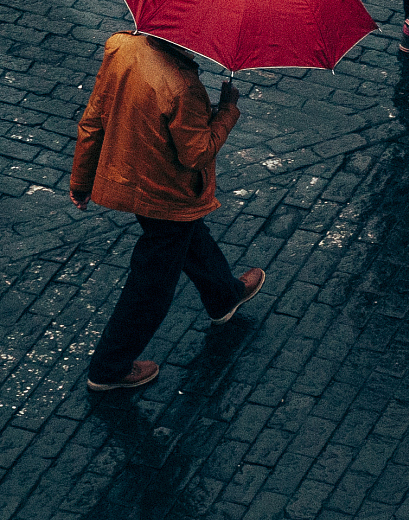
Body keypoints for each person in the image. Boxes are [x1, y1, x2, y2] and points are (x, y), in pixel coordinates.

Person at [70, 32, 265, 391]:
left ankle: (224, 296)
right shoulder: (182, 86)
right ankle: (109, 368)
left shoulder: (122, 46)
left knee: (189, 235)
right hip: (167, 195)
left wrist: (81, 182)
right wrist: (226, 112)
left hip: (132, 176)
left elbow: (93, 119)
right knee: (152, 284)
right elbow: (198, 153)